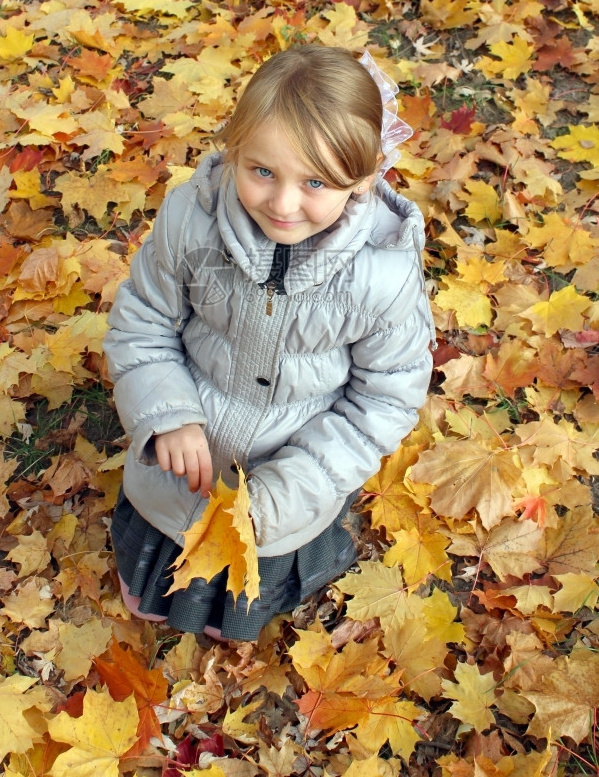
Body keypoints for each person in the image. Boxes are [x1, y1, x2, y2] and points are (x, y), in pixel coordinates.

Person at [104, 45, 435, 641]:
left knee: (250, 562)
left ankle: (238, 603)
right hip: (185, 463)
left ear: (362, 178)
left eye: (314, 182)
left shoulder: (381, 276)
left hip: (286, 475)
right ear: (234, 151)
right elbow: (144, 321)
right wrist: (165, 414)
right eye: (262, 171)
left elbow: (382, 402)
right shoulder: (191, 220)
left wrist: (294, 485)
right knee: (165, 538)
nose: (283, 204)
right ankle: (157, 586)